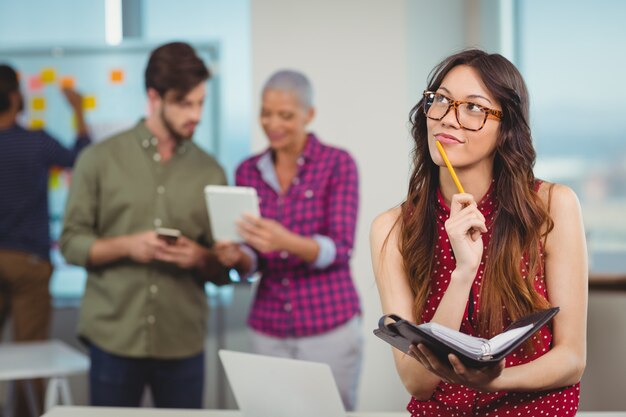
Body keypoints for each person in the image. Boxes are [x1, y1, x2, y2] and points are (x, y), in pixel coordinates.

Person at [370, 49, 587, 416]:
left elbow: (571, 359)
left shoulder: (552, 206)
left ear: (506, 128)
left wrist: (490, 380)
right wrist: (462, 273)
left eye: (473, 107)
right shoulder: (391, 228)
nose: (448, 119)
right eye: (440, 100)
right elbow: (416, 383)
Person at [60, 42, 231, 409]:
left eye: (201, 103)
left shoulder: (211, 171)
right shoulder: (98, 159)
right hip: (114, 338)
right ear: (154, 97)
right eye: (185, 104)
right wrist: (128, 246)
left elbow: (223, 268)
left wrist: (202, 257)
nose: (196, 115)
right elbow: (71, 243)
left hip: (182, 339)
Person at [214, 69, 363, 410]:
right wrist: (238, 257)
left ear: (308, 115)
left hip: (329, 325)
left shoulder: (338, 164)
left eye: (285, 115)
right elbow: (254, 257)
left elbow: (340, 248)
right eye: (265, 113)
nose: (272, 123)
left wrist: (285, 240)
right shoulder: (247, 170)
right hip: (268, 325)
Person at [0, 63, 90, 417]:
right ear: (14, 96)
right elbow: (82, 159)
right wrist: (79, 110)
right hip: (29, 262)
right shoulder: (35, 141)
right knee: (31, 358)